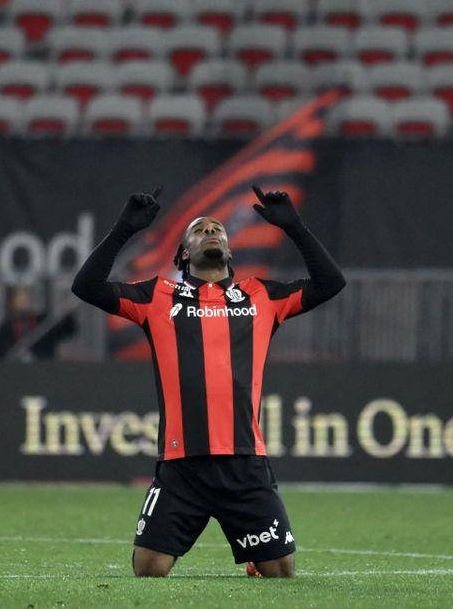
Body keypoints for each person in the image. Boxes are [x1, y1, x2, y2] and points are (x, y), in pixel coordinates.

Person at [72, 185, 345, 579]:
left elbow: (330, 283)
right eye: (199, 230)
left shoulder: (260, 295)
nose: (211, 232)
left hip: (244, 462)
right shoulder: (157, 296)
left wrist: (294, 227)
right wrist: (123, 229)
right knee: (149, 570)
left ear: (230, 251)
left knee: (280, 572)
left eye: (218, 229)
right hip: (182, 464)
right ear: (185, 252)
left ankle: (256, 555)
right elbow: (86, 287)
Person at [0, 285, 77, 361]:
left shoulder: (44, 323)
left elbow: (68, 331)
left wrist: (68, 315)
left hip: (44, 368)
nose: (22, 302)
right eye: (19, 299)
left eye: (25, 299)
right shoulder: (5, 328)